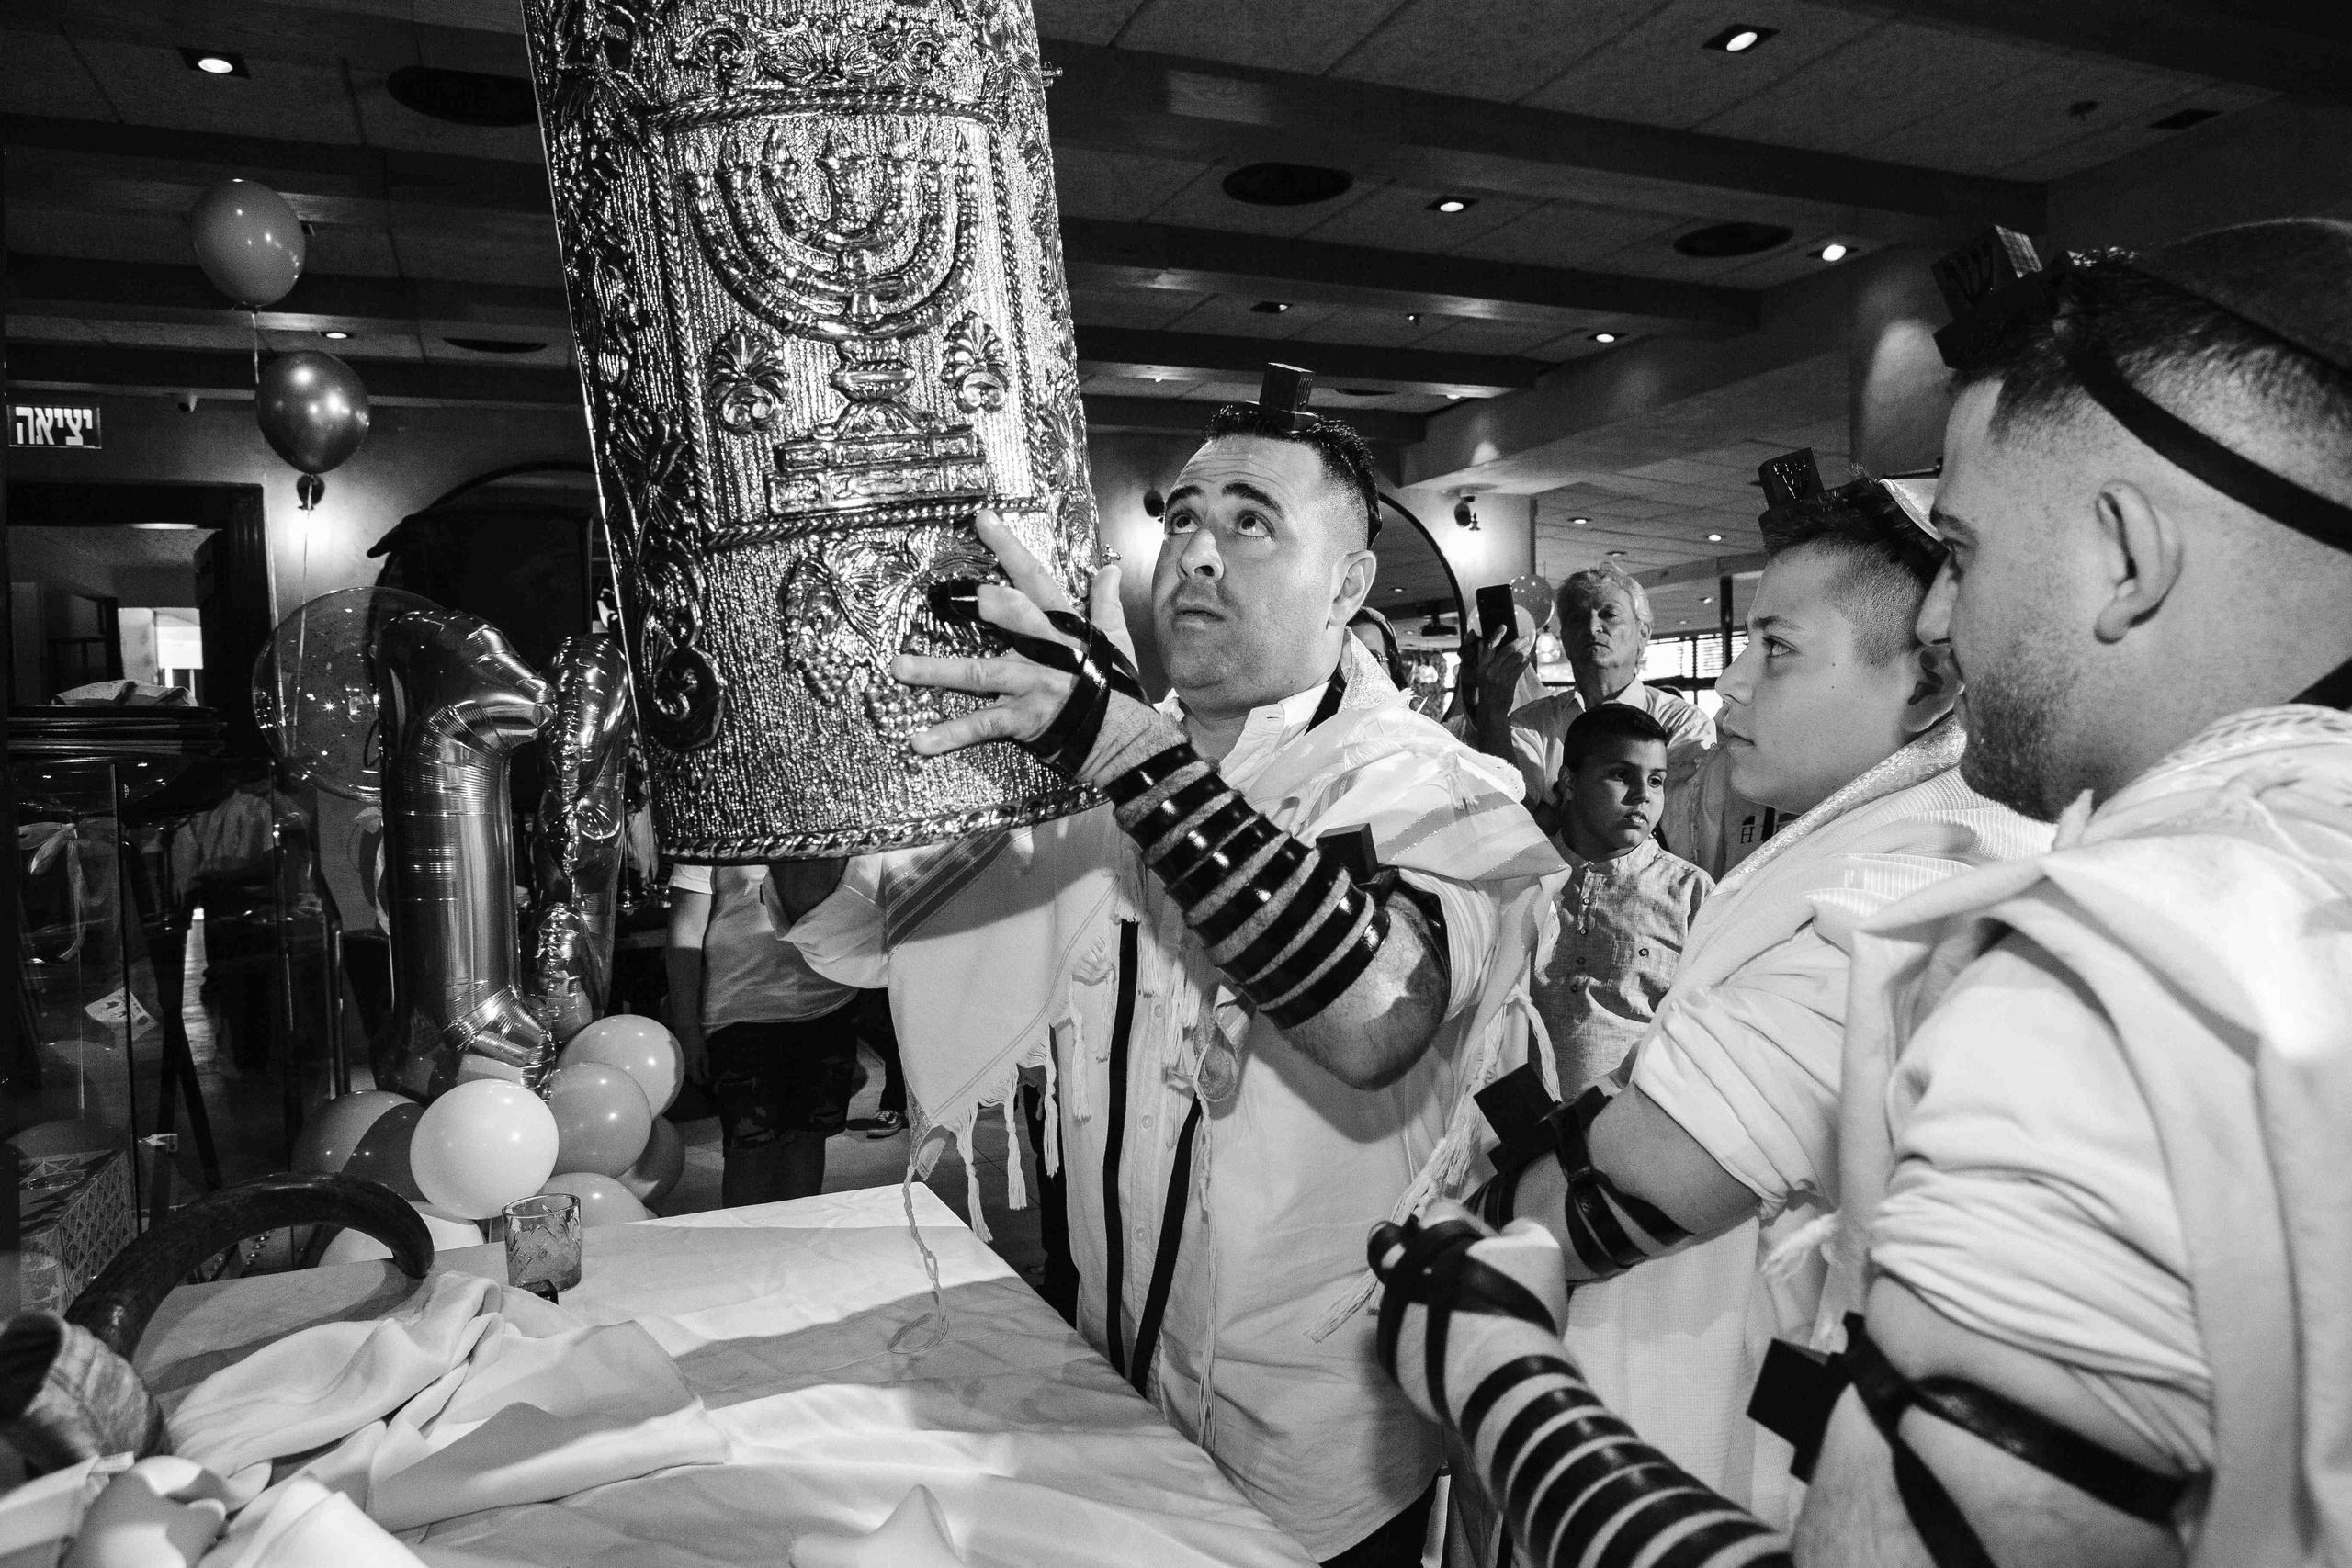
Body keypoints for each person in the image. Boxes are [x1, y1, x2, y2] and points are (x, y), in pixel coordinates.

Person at [1371, 216, 2352, 1568]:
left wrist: (1492, 1368)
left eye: (1965, 549)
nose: (1943, 619)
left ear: (2128, 556)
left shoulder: (2115, 982)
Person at [771, 384, 1566, 1565]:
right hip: (1107, 1387)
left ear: (1348, 587)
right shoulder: (1103, 777)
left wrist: (1112, 740)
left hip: (1322, 1453)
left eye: (1251, 523)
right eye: (1180, 517)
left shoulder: (1436, 790)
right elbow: (836, 915)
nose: (1195, 551)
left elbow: (1375, 1013)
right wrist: (827, 698)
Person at [1462, 467, 2049, 1528]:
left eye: (1775, 648)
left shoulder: (1924, 876)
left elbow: (1649, 1188)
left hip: (1697, 1443)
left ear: (1928, 682)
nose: (1728, 682)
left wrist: (1469, 1238)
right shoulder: (1860, 835)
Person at [1533, 705, 1712, 1098]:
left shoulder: (1688, 893)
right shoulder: (1524, 879)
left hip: (1635, 1128)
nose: (1643, 795)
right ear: (1569, 781)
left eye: (1656, 780)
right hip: (1511, 1132)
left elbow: (1707, 1036)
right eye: (1621, 775)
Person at [664, 862, 862, 1204]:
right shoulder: (710, 825)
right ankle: (749, 1253)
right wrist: (687, 1029)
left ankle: (798, 1249)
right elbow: (685, 931)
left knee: (808, 1141)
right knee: (750, 1150)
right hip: (740, 1014)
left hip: (830, 1004)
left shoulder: (823, 819)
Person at [1477, 563, 1715, 831]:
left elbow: (1677, 826)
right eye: (1577, 619)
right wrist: (1492, 711)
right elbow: (1511, 825)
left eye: (1609, 614)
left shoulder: (1683, 722)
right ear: (1564, 638)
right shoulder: (1532, 723)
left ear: (1643, 633)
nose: (1592, 627)